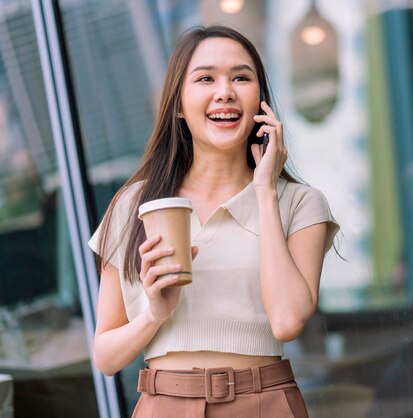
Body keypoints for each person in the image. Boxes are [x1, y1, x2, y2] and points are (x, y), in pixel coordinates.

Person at [88, 25, 339, 417]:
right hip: (162, 405)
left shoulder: (299, 204)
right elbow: (105, 357)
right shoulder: (133, 205)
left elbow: (288, 321)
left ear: (261, 101)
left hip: (264, 403)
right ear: (177, 104)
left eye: (241, 77)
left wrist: (265, 191)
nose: (225, 91)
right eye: (205, 78)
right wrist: (154, 313)